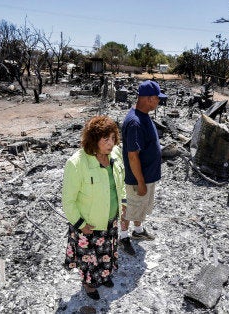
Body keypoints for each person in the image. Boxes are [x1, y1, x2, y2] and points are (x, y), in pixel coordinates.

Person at [62, 115, 127, 300]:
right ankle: (89, 284)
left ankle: (104, 276)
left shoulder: (115, 154)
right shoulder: (76, 163)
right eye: (105, 139)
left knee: (107, 252)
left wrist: (123, 203)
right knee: (89, 258)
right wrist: (80, 223)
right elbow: (68, 200)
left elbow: (119, 184)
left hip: (110, 219)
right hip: (88, 224)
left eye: (113, 137)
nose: (111, 143)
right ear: (93, 140)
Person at [119, 80, 166, 256]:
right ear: (149, 99)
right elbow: (132, 156)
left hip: (147, 176)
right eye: (157, 99)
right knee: (130, 207)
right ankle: (123, 237)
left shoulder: (143, 115)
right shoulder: (135, 122)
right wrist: (140, 182)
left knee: (140, 207)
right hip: (138, 179)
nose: (159, 102)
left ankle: (137, 232)